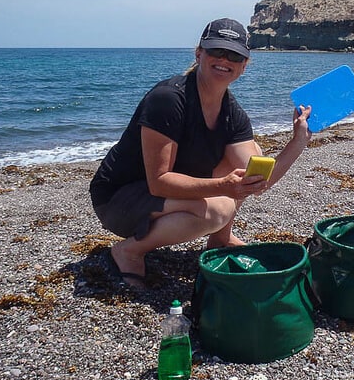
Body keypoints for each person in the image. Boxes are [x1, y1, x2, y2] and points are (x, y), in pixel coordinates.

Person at [89, 17, 312, 289]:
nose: (224, 59)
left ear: (244, 65)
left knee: (251, 158)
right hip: (119, 200)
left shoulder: (232, 113)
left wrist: (298, 140)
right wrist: (222, 186)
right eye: (216, 51)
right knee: (216, 209)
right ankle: (129, 251)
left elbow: (258, 182)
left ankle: (220, 238)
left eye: (234, 55)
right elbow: (159, 182)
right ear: (199, 53)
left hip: (161, 196)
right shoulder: (168, 99)